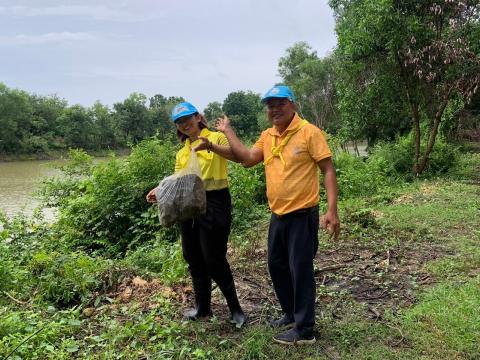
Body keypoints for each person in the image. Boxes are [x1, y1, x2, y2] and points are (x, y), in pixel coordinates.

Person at [212, 85, 340, 345]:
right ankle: (291, 313)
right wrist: (226, 134)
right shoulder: (268, 136)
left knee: (300, 270)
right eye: (270, 105)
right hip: (278, 215)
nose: (274, 109)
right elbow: (246, 158)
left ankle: (305, 330)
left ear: (293, 104)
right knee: (276, 265)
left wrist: (331, 210)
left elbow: (327, 169)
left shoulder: (309, 132)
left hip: (302, 215)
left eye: (280, 103)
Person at [146, 101, 246, 328]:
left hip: (215, 202)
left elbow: (237, 156)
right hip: (188, 205)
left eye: (187, 118)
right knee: (193, 256)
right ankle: (203, 307)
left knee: (214, 258)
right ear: (177, 127)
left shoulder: (216, 137)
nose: (184, 124)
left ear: (198, 117)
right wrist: (159, 191)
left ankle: (236, 310)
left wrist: (209, 145)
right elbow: (178, 181)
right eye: (179, 122)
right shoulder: (182, 152)